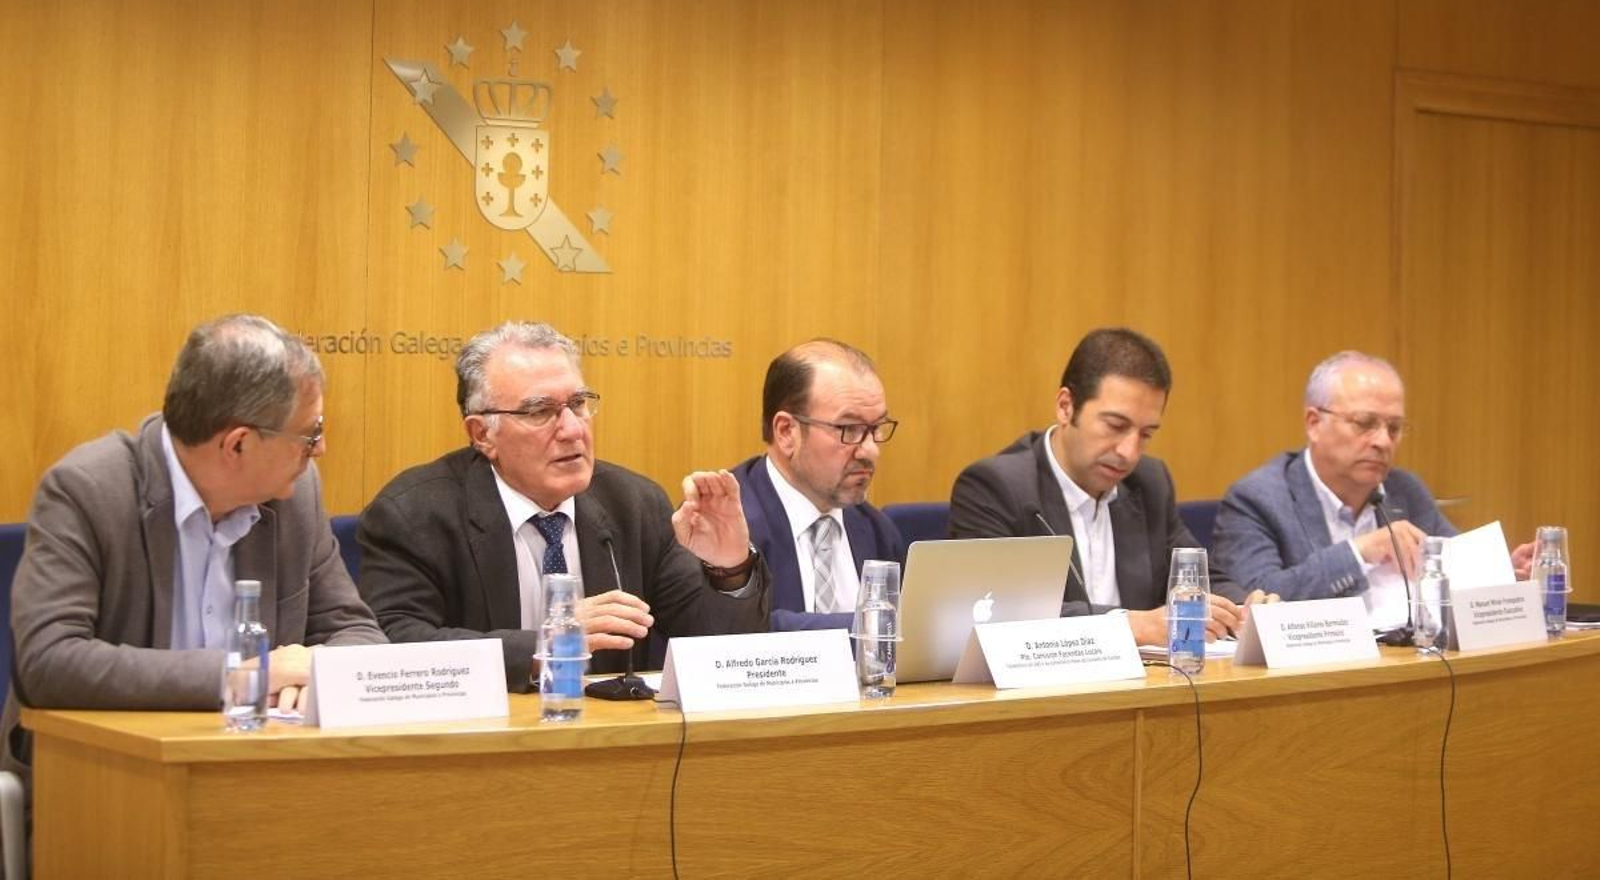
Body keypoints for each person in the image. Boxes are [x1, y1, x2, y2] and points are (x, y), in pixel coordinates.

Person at [5, 314, 384, 775]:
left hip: (264, 771)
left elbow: (357, 633)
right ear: (237, 445)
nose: (319, 449)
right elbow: (48, 663)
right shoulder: (89, 490)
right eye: (309, 434)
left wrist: (315, 669)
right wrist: (243, 677)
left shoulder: (294, 496)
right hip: (106, 779)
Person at [357, 322, 769, 690]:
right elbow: (394, 643)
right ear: (482, 434)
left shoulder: (634, 503)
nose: (572, 429)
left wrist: (729, 569)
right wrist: (545, 643)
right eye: (540, 411)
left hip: (616, 749)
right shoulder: (415, 514)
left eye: (578, 404)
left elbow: (719, 653)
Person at [948, 328, 1258, 646]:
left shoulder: (1149, 483)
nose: (1130, 452)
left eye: (1146, 433)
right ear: (1066, 406)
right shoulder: (996, 487)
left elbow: (1196, 577)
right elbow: (998, 615)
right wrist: (1134, 627)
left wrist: (1246, 607)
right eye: (1115, 426)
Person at [1213, 351, 1533, 630]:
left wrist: (1502, 573)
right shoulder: (1258, 499)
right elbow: (1254, 600)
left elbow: (1451, 564)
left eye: (1394, 428)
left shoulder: (1404, 490)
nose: (1383, 442)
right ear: (1314, 423)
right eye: (1365, 423)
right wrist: (1358, 552)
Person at [731, 339, 906, 631]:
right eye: (849, 429)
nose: (870, 450)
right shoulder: (730, 528)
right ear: (787, 432)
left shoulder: (875, 529)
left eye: (876, 429)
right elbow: (744, 634)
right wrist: (870, 629)